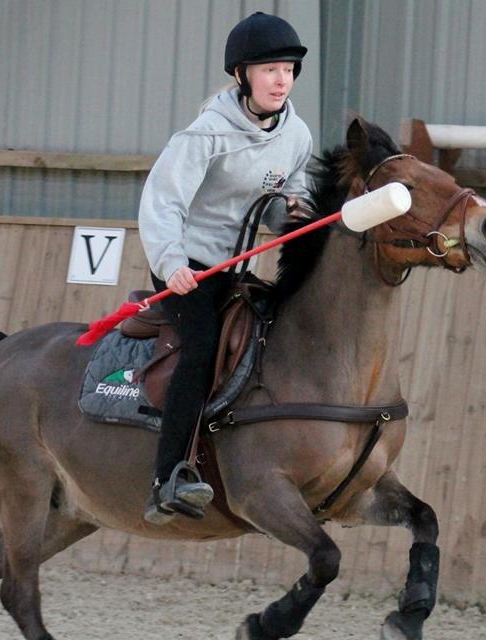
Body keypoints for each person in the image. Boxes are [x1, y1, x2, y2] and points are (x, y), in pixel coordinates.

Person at [137, 12, 313, 525]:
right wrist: (171, 263)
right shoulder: (203, 136)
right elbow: (162, 202)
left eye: (288, 70)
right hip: (187, 267)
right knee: (202, 345)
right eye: (269, 70)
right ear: (242, 75)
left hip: (237, 269)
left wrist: (292, 211)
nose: (281, 81)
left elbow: (285, 201)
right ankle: (167, 477)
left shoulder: (296, 135)